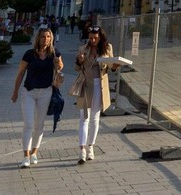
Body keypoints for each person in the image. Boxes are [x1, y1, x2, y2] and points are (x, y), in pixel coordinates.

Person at [10, 28, 64, 168]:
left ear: (51, 39)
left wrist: (58, 64)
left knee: (39, 124)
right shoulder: (30, 54)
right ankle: (26, 156)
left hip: (46, 92)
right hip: (29, 92)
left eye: (48, 37)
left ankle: (34, 153)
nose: (45, 39)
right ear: (38, 38)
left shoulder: (54, 53)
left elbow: (60, 67)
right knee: (28, 123)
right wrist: (15, 91)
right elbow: (20, 73)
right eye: (43, 37)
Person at [72, 29, 115, 164]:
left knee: (95, 118)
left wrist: (115, 66)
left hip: (100, 86)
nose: (93, 40)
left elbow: (111, 66)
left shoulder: (107, 48)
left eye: (95, 38)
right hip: (86, 85)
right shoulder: (83, 49)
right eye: (91, 38)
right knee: (84, 117)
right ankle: (82, 150)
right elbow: (77, 68)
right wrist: (80, 61)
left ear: (100, 37)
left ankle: (91, 146)